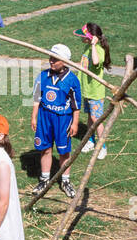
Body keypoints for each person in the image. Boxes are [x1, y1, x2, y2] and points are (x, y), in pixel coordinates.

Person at [31, 43, 83, 198]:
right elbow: (36, 98)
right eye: (50, 57)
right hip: (45, 117)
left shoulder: (72, 80)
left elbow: (76, 105)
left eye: (55, 59)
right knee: (45, 148)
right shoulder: (43, 76)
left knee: (64, 151)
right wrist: (34, 116)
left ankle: (65, 181)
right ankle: (44, 179)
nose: (51, 61)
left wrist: (74, 123)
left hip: (63, 120)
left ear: (65, 62)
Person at [77, 23, 111, 160]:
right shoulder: (87, 47)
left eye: (84, 36)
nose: (81, 38)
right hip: (86, 89)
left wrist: (93, 45)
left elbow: (96, 62)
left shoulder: (98, 50)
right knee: (90, 117)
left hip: (95, 91)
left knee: (96, 119)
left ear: (92, 38)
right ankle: (90, 141)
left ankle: (102, 147)